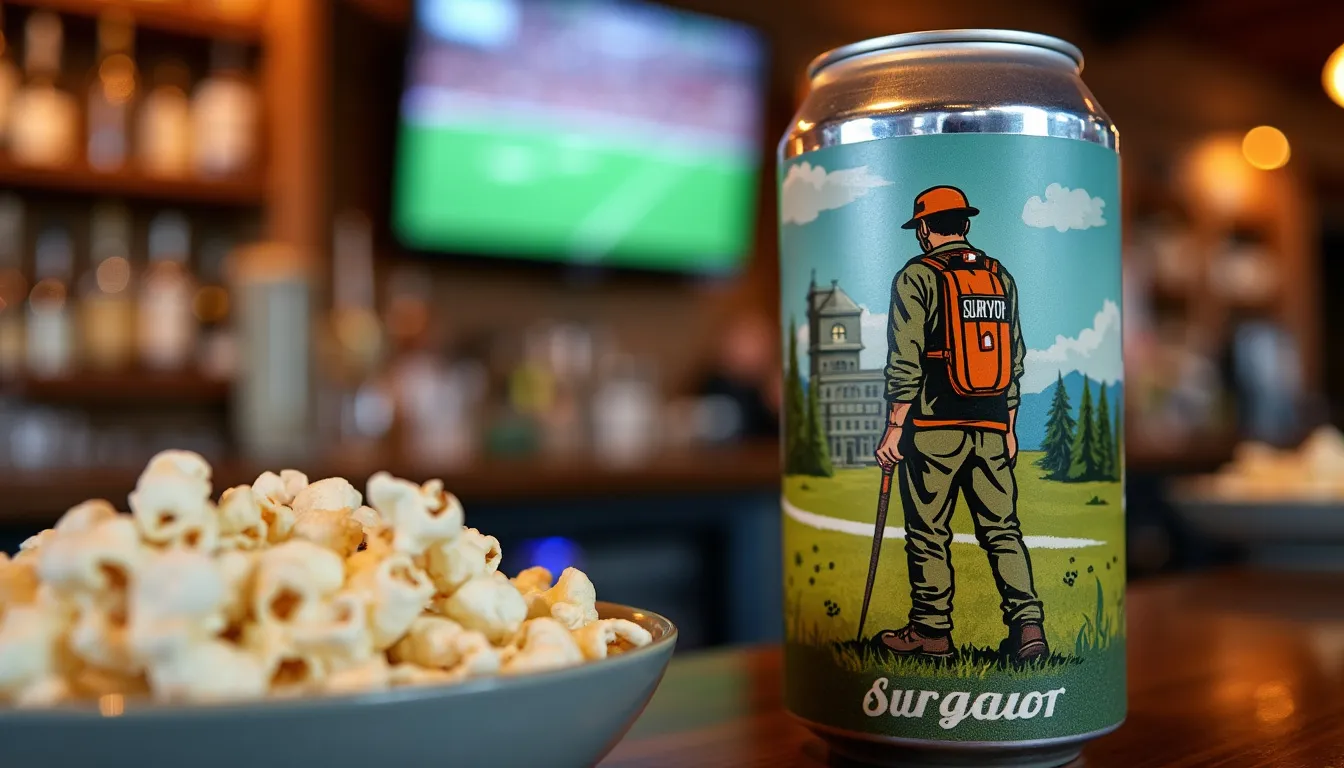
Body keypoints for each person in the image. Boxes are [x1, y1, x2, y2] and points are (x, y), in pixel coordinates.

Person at [872, 185, 1047, 664]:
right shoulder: (998, 276)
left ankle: (931, 634)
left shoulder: (917, 276)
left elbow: (905, 357)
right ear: (965, 224)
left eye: (921, 228)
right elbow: (1014, 356)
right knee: (1003, 530)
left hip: (934, 426)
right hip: (991, 427)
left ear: (926, 229)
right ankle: (1028, 626)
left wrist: (894, 428)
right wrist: (1009, 425)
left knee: (929, 532)